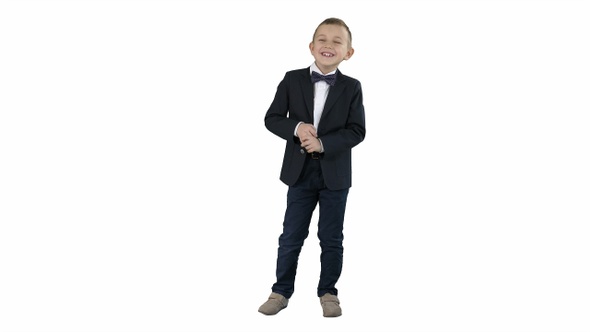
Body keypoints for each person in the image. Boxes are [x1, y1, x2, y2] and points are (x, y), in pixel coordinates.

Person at [258, 17, 366, 318]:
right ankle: (280, 291)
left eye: (336, 41)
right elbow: (272, 118)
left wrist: (324, 144)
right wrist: (297, 127)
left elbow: (358, 131)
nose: (328, 45)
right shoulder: (292, 79)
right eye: (322, 39)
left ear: (348, 52)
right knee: (291, 234)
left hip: (335, 174)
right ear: (311, 46)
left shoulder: (352, 87)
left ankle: (328, 292)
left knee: (331, 237)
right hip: (299, 172)